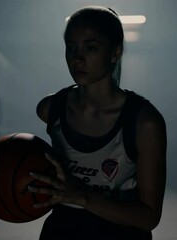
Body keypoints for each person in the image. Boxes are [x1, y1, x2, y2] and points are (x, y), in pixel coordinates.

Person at [28, 6, 167, 240]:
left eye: (90, 48)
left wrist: (82, 195)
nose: (77, 58)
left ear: (114, 53)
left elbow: (149, 217)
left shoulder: (144, 123)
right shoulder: (51, 109)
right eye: (71, 47)